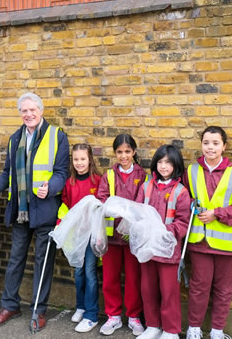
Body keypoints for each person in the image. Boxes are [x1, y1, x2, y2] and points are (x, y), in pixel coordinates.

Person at [0, 92, 69, 330]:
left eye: (32, 110)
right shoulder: (15, 138)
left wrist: (50, 188)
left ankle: (38, 311)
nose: (28, 114)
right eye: (24, 111)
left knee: (43, 262)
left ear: (40, 110)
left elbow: (61, 173)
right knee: (15, 259)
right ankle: (10, 305)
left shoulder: (57, 136)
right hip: (20, 210)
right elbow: (8, 175)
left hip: (45, 210)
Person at [183, 126, 232, 339]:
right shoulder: (192, 171)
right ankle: (194, 329)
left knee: (223, 289)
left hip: (228, 243)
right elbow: (184, 201)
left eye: (215, 143)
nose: (210, 147)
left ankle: (217, 331)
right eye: (206, 143)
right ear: (201, 145)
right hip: (200, 240)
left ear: (224, 146)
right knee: (198, 287)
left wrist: (217, 213)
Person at [135, 145, 191, 339]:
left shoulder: (181, 191)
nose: (163, 166)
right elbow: (137, 213)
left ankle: (171, 330)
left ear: (176, 164)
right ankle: (152, 326)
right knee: (148, 289)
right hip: (148, 248)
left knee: (169, 292)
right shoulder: (146, 186)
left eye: (168, 162)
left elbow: (183, 222)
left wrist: (162, 231)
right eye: (160, 162)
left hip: (169, 250)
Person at [96, 134, 147, 336]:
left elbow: (145, 203)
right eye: (119, 152)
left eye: (127, 151)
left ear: (134, 152)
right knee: (110, 278)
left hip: (132, 237)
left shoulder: (143, 175)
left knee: (134, 279)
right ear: (115, 153)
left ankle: (134, 316)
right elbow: (101, 200)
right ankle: (113, 316)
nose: (123, 156)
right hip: (111, 238)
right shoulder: (108, 175)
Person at [56, 143, 102, 333]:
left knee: (90, 273)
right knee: (79, 272)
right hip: (76, 236)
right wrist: (60, 224)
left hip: (91, 236)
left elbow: (101, 209)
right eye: (76, 159)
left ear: (90, 159)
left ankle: (92, 314)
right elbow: (66, 207)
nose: (79, 163)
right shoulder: (69, 183)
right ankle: (81, 306)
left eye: (83, 159)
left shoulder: (98, 181)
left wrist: (100, 234)